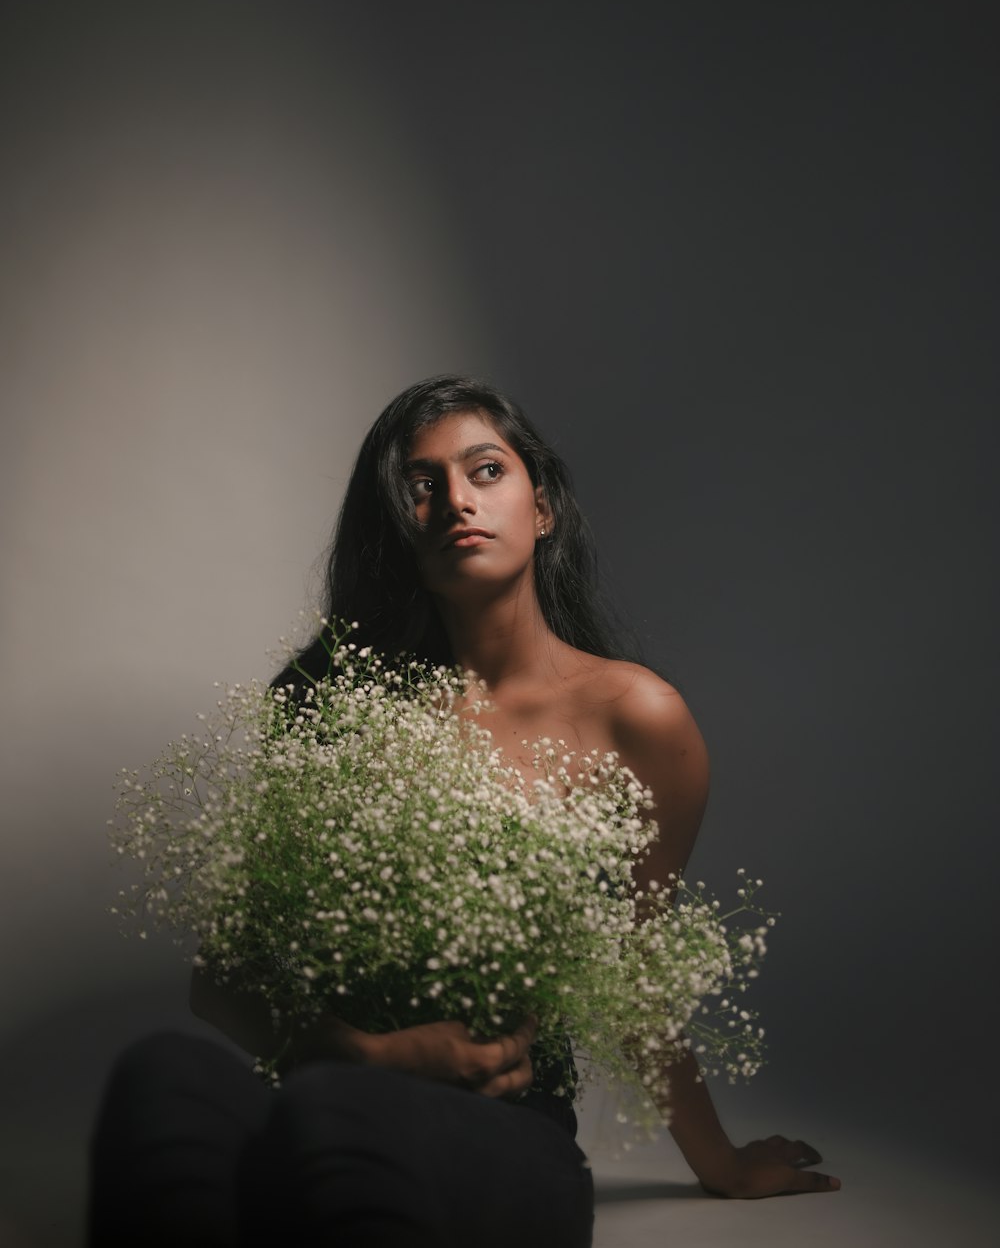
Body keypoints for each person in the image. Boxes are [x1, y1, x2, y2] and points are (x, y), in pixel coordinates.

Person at [88, 374, 839, 1246]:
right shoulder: (331, 703)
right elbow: (222, 979)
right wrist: (353, 1049)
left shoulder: (636, 719)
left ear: (543, 506)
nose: (455, 501)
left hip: (499, 1127)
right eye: (419, 485)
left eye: (485, 471)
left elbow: (638, 976)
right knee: (160, 1076)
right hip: (324, 1097)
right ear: (396, 530)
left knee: (336, 1122)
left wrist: (721, 1162)